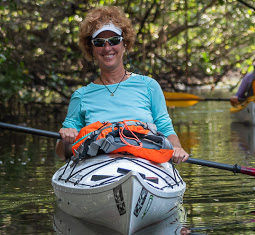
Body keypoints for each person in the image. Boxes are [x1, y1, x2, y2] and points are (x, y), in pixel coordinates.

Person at [56, 6, 189, 164]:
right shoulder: (81, 96)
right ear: (91, 49)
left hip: (145, 164)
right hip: (97, 168)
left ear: (124, 44)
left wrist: (177, 148)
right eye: (99, 42)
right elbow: (62, 154)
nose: (107, 48)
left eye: (114, 41)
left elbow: (165, 128)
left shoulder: (149, 86)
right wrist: (65, 139)